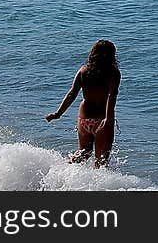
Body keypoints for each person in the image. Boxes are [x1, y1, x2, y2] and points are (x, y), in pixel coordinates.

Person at [46, 39, 121, 167]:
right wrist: (108, 119)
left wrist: (58, 113)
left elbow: (72, 94)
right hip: (102, 119)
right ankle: (97, 186)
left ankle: (61, 170)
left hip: (84, 119)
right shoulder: (113, 73)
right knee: (101, 162)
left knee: (84, 153)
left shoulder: (83, 71)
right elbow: (111, 96)